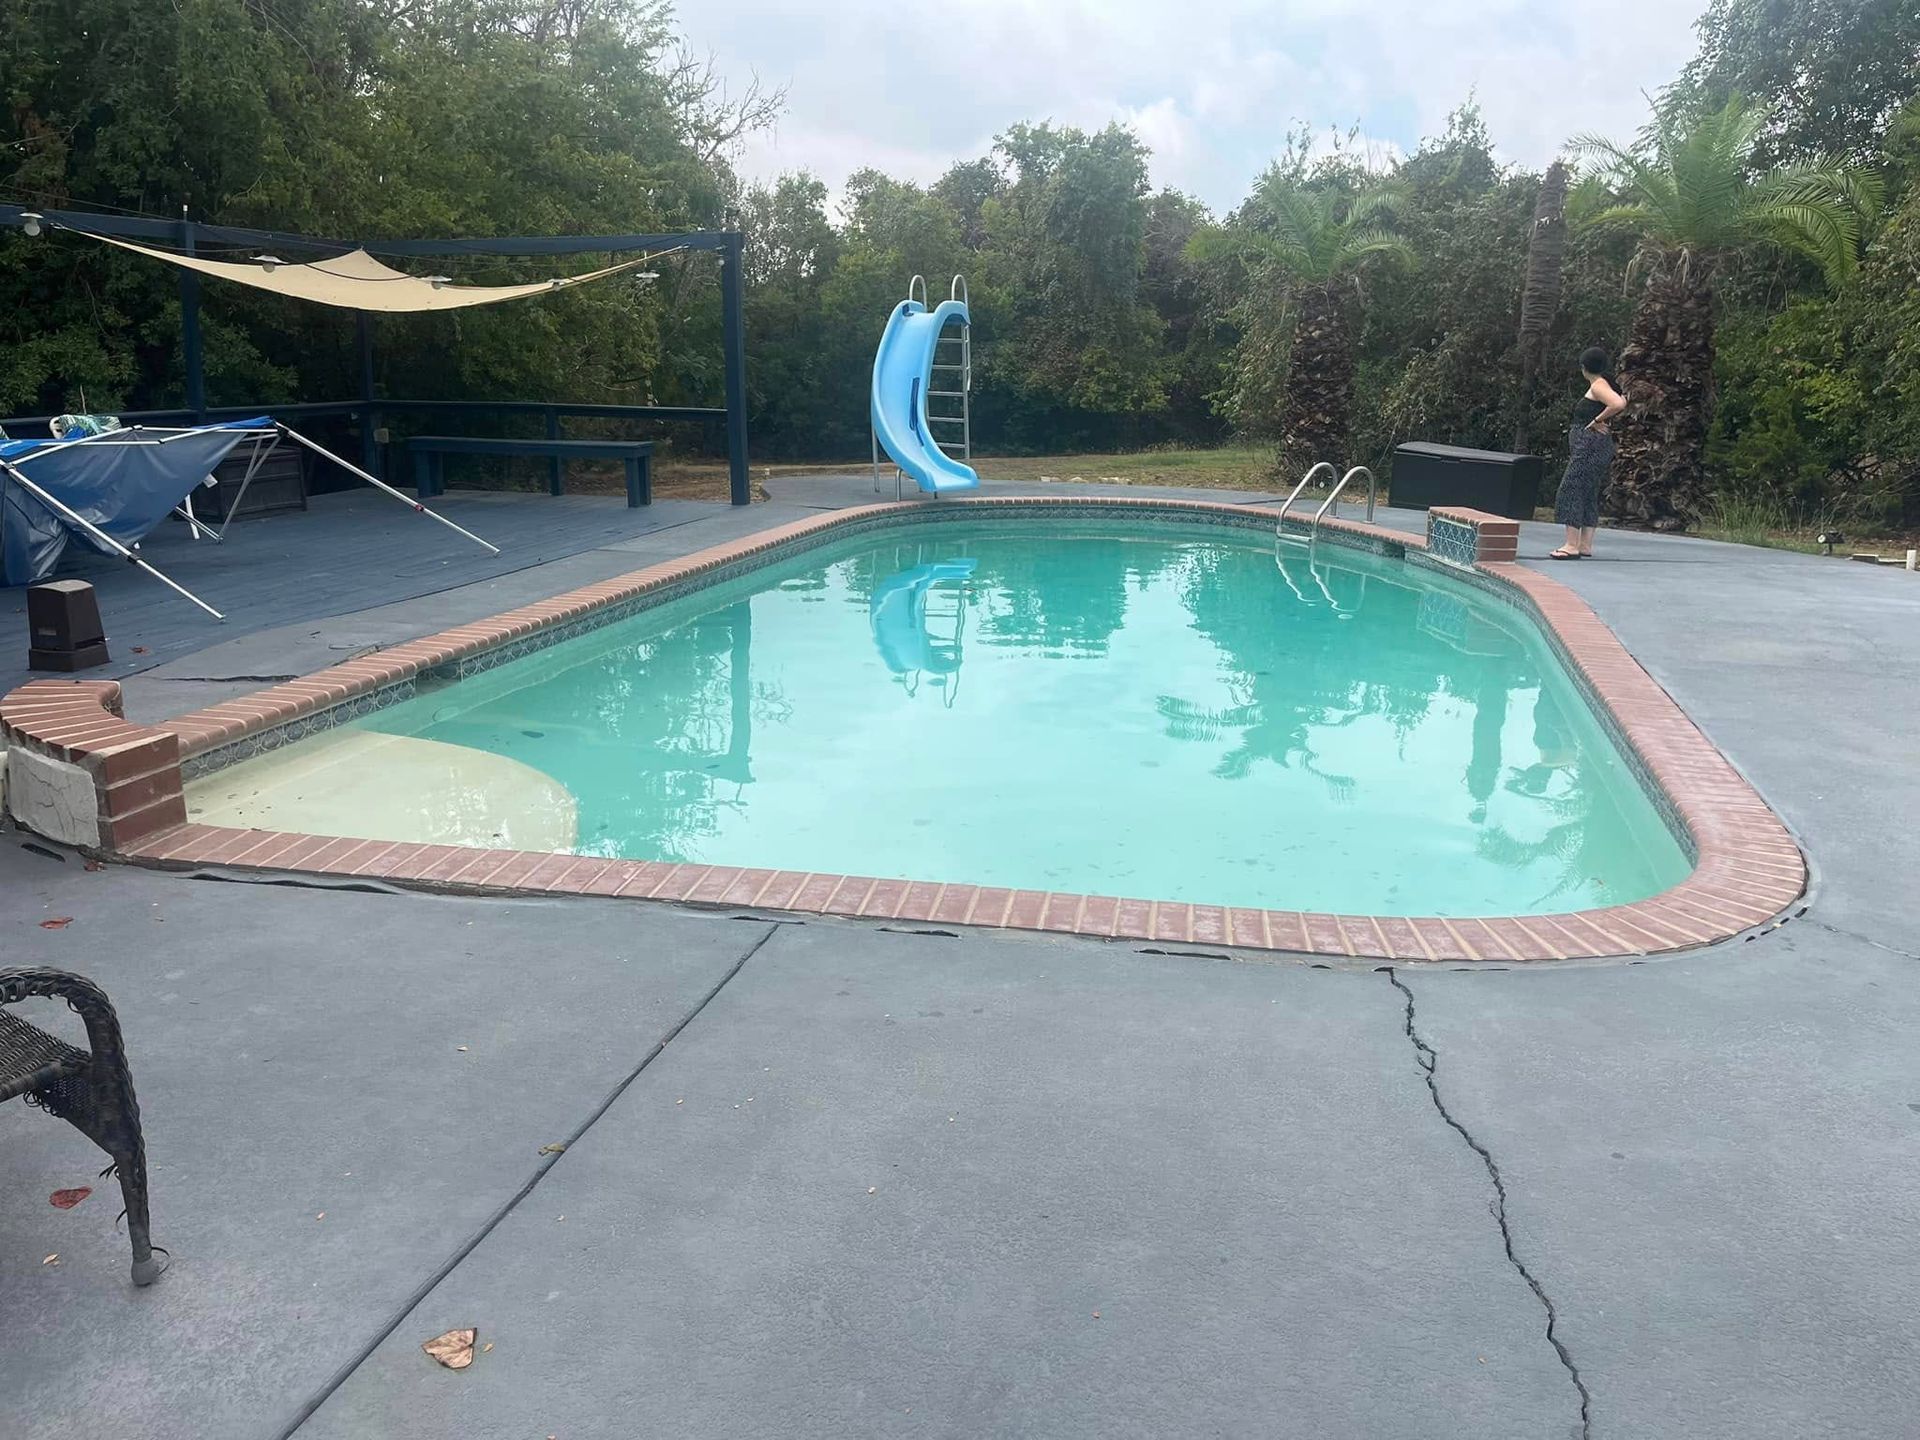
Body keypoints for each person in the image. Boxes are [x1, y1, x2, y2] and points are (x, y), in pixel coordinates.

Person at [1549, 347, 1626, 559]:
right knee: (1588, 492)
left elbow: (1618, 403)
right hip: (1598, 445)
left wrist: (1597, 420)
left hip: (1590, 446)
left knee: (1571, 488)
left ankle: (1571, 545)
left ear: (1584, 368)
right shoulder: (1606, 384)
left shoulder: (1599, 385)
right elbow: (1623, 400)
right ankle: (1584, 545)